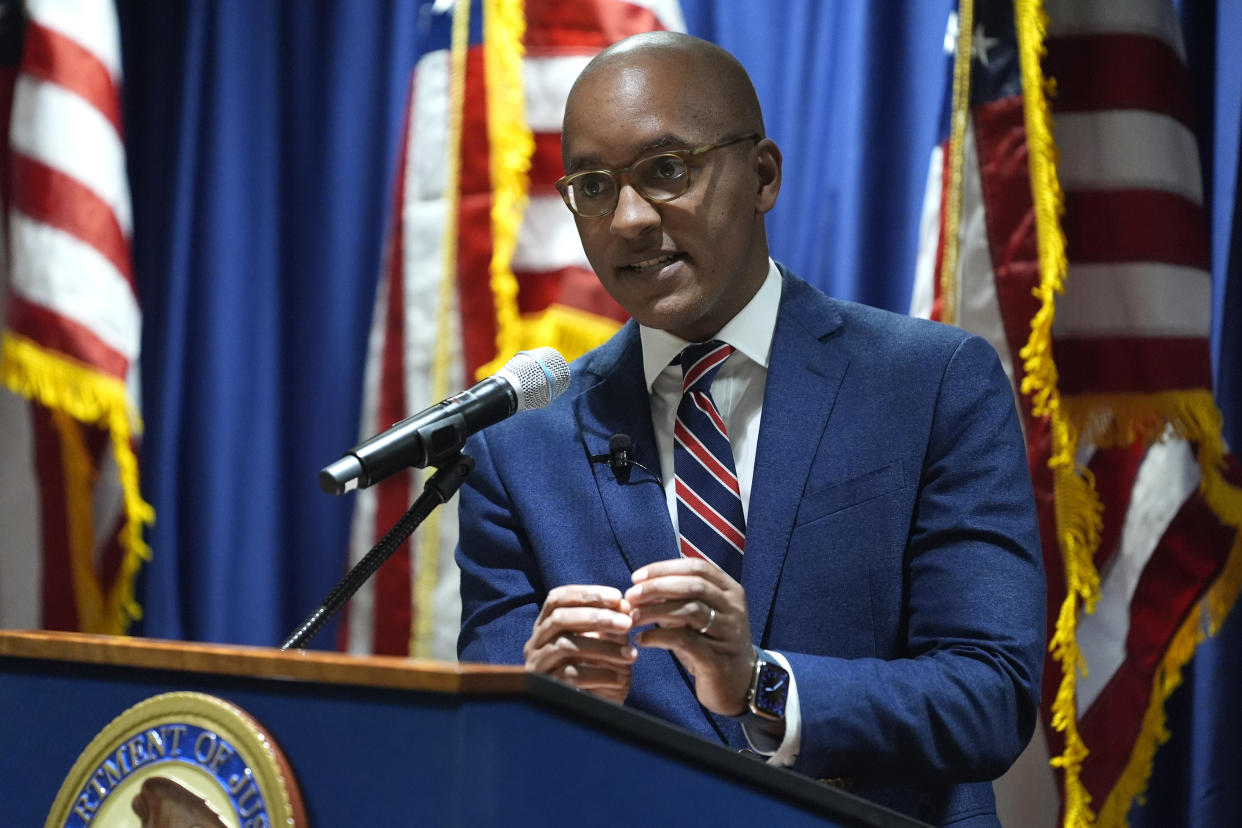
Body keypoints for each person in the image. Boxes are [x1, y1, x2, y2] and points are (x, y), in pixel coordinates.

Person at [456, 30, 1044, 826]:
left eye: (667, 172)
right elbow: (496, 755)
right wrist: (546, 708)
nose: (628, 218)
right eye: (593, 187)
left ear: (762, 174)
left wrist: (764, 683)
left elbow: (991, 696)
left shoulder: (931, 384)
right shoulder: (519, 446)